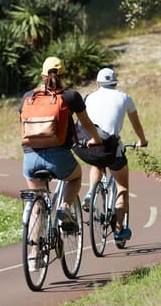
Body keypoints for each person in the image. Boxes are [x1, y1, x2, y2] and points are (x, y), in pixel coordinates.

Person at [19, 56, 103, 225]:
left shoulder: (28, 97)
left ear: (42, 76)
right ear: (63, 75)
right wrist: (96, 138)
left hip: (30, 157)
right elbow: (85, 123)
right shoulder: (70, 96)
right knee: (75, 177)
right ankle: (65, 207)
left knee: (38, 204)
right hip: (59, 157)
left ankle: (34, 250)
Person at [82, 67, 148, 241]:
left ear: (97, 84)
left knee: (97, 163)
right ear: (115, 83)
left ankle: (90, 192)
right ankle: (118, 231)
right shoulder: (125, 98)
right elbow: (136, 124)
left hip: (91, 144)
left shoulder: (88, 97)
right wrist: (142, 140)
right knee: (122, 187)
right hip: (111, 147)